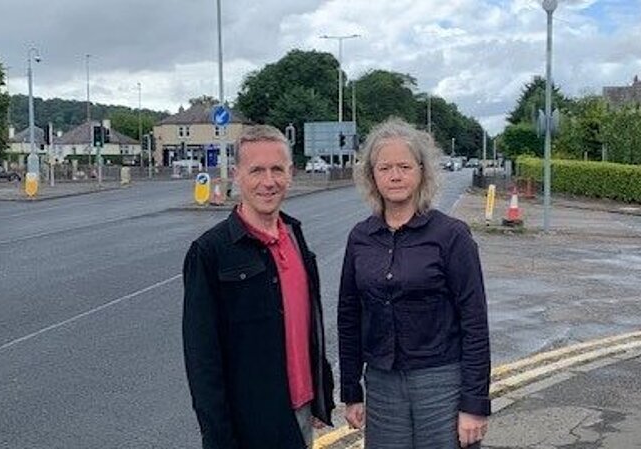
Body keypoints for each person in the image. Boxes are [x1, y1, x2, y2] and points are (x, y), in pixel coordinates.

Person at [338, 118, 491, 449]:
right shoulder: (360, 238)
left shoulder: (451, 236)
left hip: (442, 383)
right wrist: (351, 391)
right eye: (385, 168)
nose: (395, 176)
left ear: (422, 172)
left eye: (405, 166)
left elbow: (475, 322)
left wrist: (474, 404)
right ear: (372, 176)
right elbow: (349, 316)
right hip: (381, 384)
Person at [182, 125, 335, 449]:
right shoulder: (210, 252)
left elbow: (311, 325)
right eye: (256, 171)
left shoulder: (295, 236)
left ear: (290, 174)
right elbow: (202, 361)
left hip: (300, 411)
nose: (269, 181)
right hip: (248, 422)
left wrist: (321, 396)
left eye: (277, 169)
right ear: (237, 175)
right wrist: (219, 439)